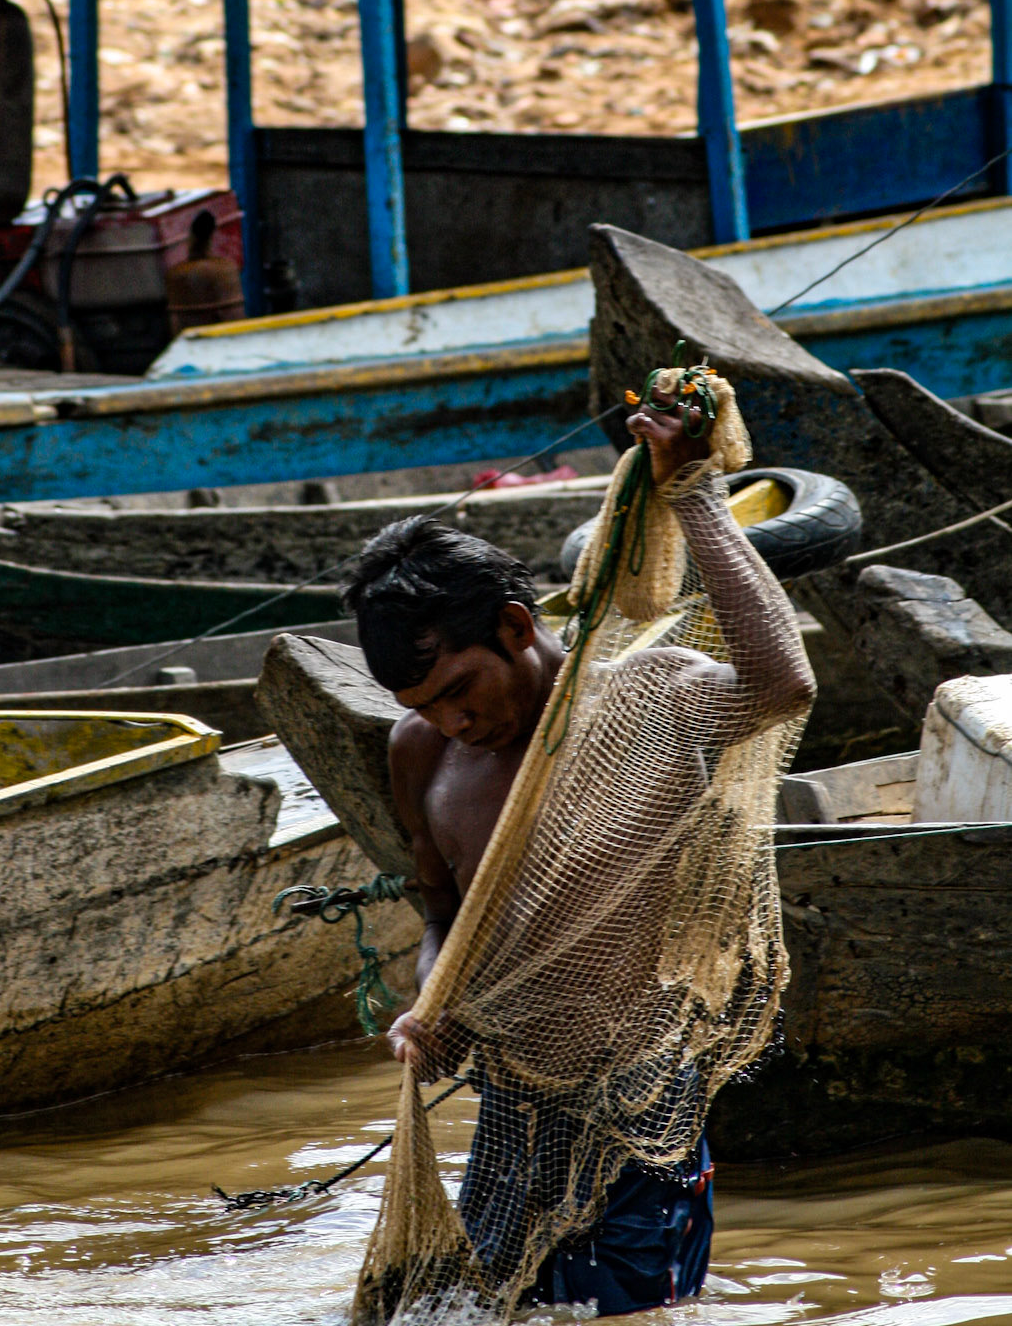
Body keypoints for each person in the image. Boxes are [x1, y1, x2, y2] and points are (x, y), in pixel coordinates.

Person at [345, 380, 815, 1315]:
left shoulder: (649, 700)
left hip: (641, 1104)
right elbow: (444, 917)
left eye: (459, 688)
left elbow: (780, 684)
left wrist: (694, 494)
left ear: (516, 629)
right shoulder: (421, 751)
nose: (452, 719)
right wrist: (424, 1006)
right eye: (423, 705)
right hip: (514, 1110)